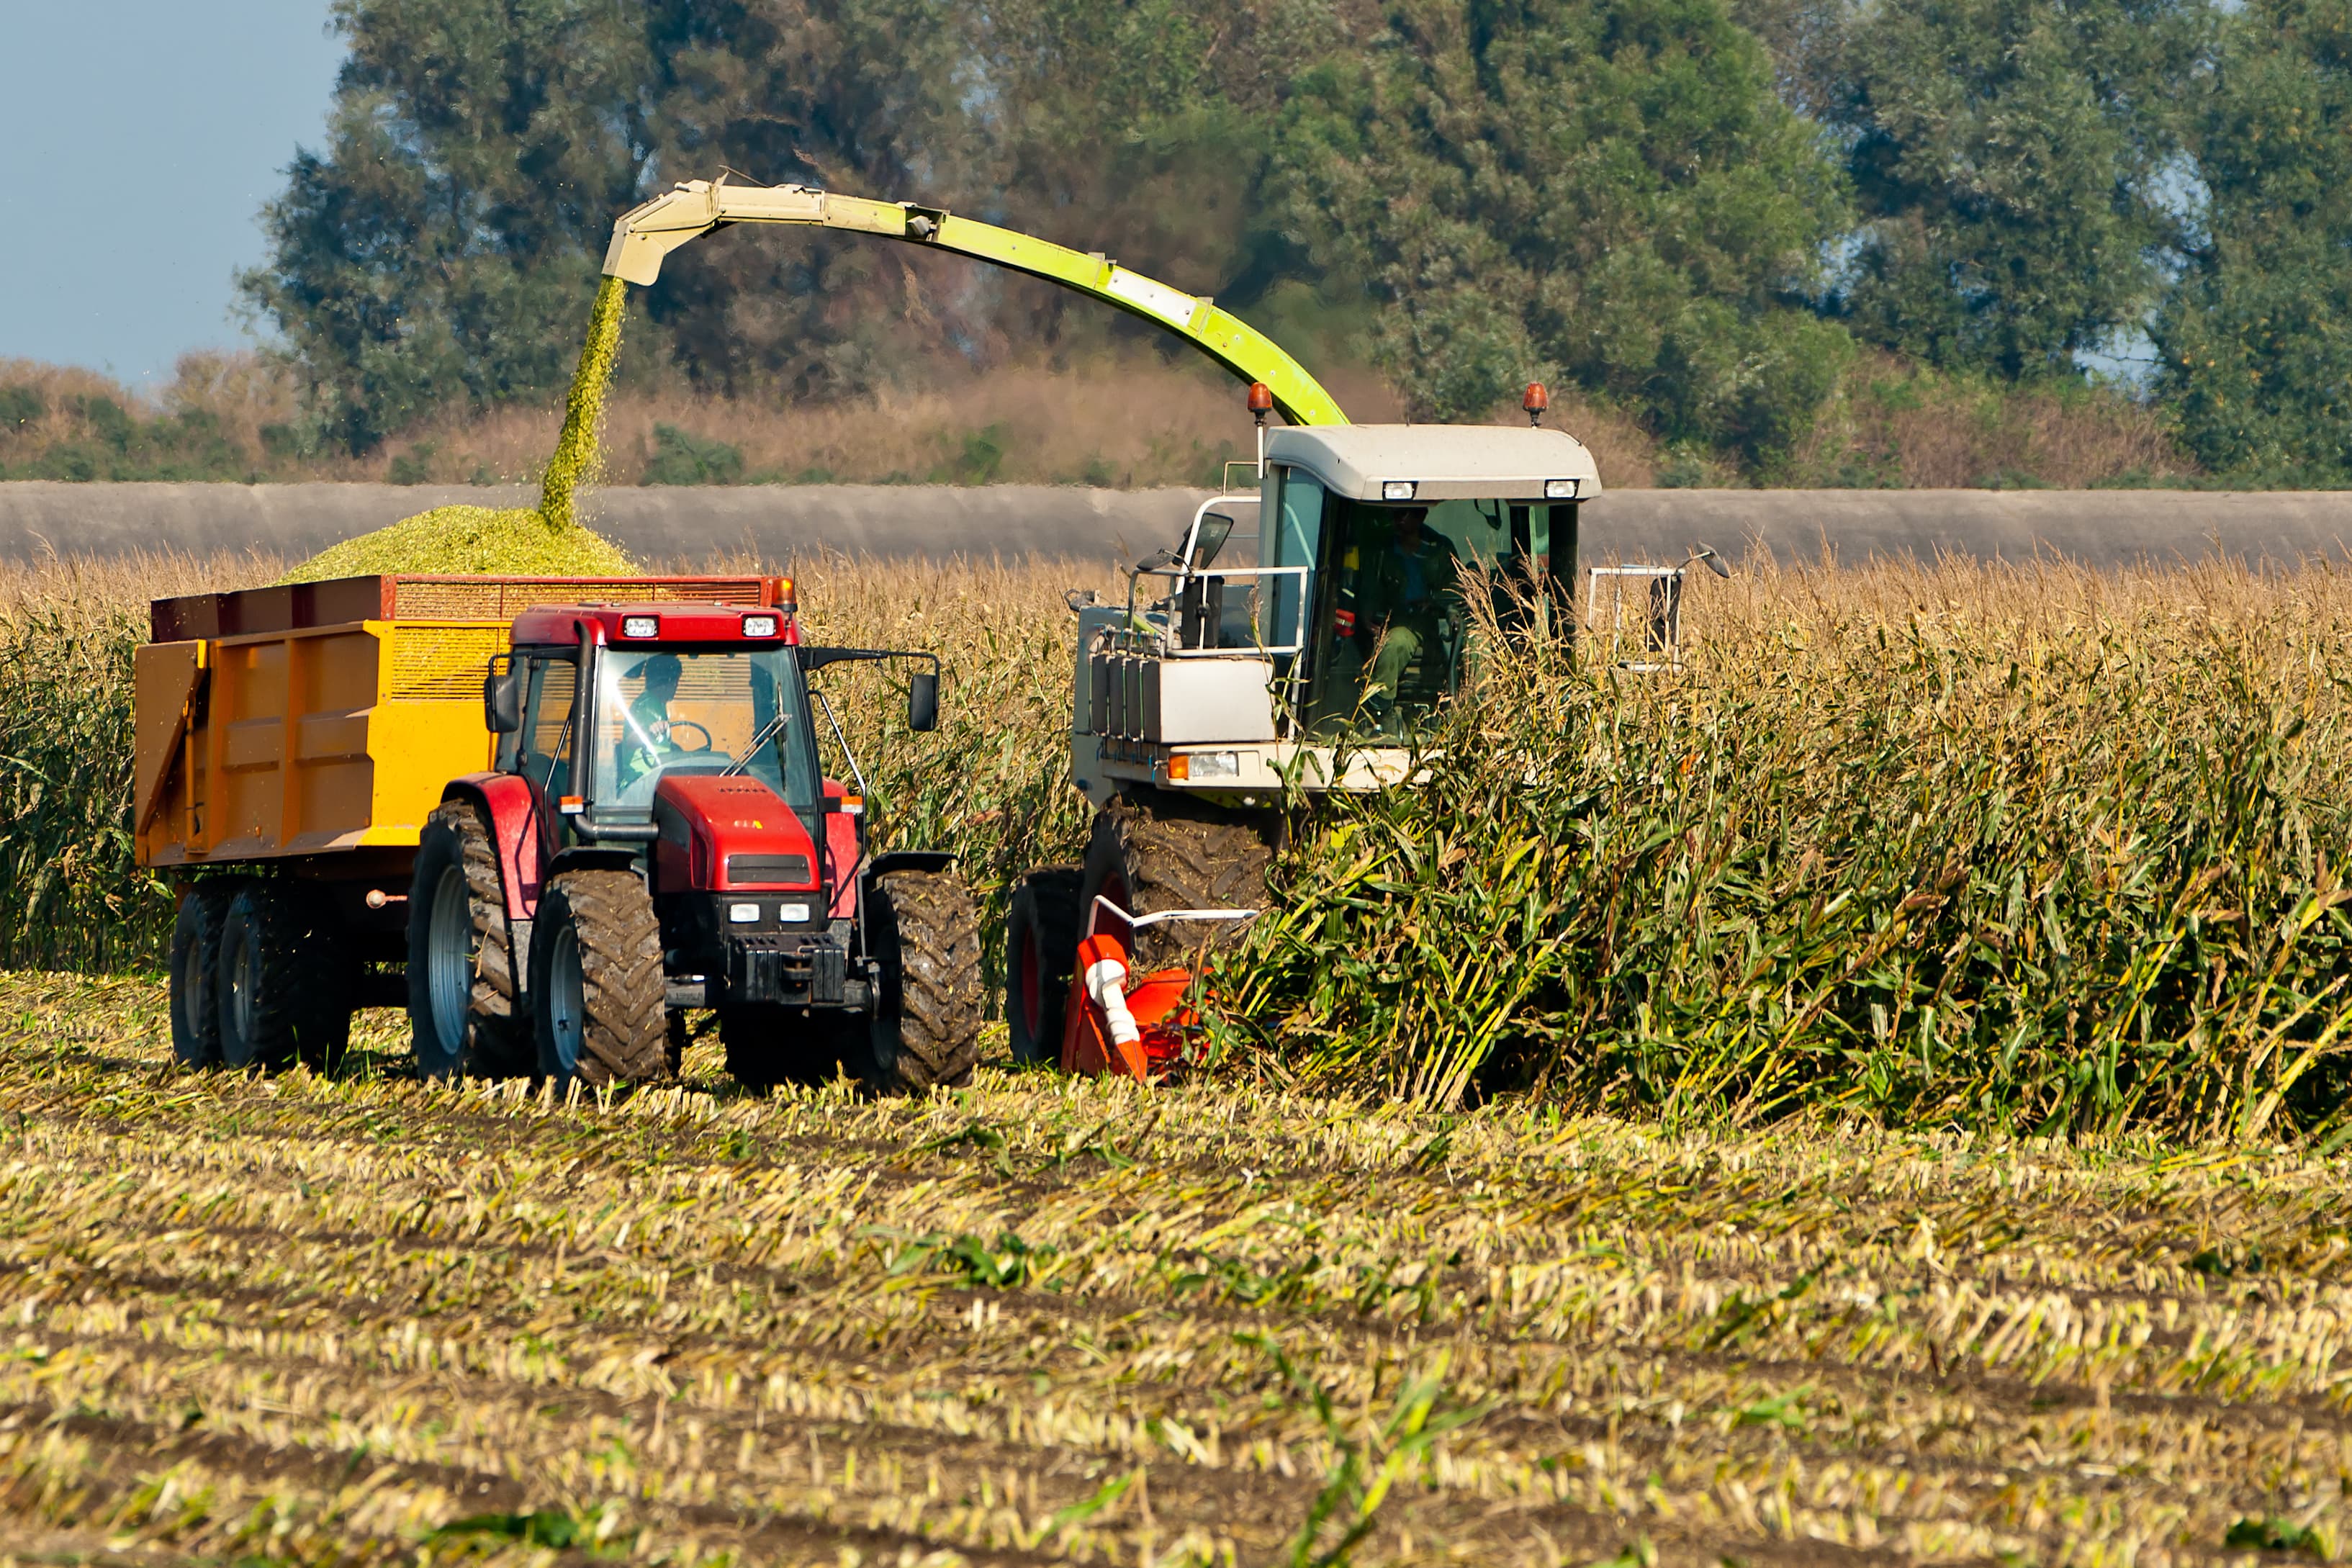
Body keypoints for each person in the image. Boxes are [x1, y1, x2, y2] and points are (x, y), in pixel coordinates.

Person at [1356, 507, 1461, 731]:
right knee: (1393, 644)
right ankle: (1380, 712)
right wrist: (1366, 611)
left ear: (1421, 515)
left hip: (1435, 619)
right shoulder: (1382, 551)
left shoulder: (1440, 549)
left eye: (1404, 514)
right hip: (1400, 619)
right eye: (1394, 514)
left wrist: (1437, 602)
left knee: (1475, 645)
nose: (1398, 520)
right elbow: (1371, 587)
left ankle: (1469, 709)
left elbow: (1457, 588)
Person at [616, 653, 681, 790]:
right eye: (676, 681)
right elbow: (630, 741)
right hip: (640, 782)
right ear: (667, 681)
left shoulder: (658, 704)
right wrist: (648, 732)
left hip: (656, 776)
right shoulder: (646, 705)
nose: (676, 687)